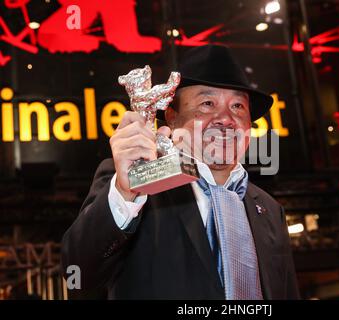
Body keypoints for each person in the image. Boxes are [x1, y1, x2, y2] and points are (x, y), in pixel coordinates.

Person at [61, 44, 299, 299]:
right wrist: (125, 191)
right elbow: (79, 273)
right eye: (207, 103)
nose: (226, 118)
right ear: (172, 117)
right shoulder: (137, 185)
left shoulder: (270, 209)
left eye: (238, 107)